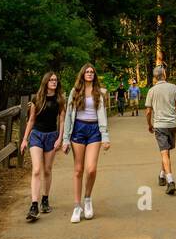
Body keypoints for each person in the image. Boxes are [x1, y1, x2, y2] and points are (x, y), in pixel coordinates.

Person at [62, 63, 109, 222]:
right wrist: (65, 139)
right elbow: (68, 115)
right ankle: (77, 206)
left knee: (91, 169)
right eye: (87, 72)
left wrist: (105, 137)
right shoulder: (74, 92)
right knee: (78, 169)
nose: (89, 74)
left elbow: (103, 115)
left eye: (92, 72)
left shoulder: (99, 93)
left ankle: (87, 199)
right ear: (82, 74)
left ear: (94, 75)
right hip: (78, 129)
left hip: (94, 130)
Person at [18, 72, 65, 222]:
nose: (54, 82)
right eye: (51, 80)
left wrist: (60, 138)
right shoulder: (37, 99)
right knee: (37, 169)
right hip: (37, 135)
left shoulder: (60, 100)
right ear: (45, 82)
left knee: (47, 169)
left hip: (51, 136)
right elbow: (31, 120)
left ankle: (45, 199)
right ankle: (34, 205)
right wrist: (25, 139)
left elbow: (62, 120)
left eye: (55, 80)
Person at [144, 65, 176, 195]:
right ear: (164, 75)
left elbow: (148, 111)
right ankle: (162, 176)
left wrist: (149, 125)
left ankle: (170, 181)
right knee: (166, 152)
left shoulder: (152, 91)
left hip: (160, 125)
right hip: (172, 124)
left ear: (155, 77)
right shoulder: (173, 88)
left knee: (164, 152)